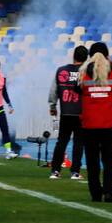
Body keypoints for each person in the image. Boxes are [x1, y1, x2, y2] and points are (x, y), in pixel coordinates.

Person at [78, 42, 112, 202]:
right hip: (109, 123)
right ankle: (108, 190)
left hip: (90, 124)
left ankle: (95, 192)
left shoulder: (84, 72)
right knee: (109, 159)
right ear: (107, 55)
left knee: (92, 160)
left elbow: (76, 88)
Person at [48, 46, 88, 179]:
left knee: (62, 142)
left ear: (73, 56)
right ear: (86, 58)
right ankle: (75, 171)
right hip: (81, 113)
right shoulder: (87, 72)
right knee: (78, 143)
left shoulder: (61, 70)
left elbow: (53, 90)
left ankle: (55, 170)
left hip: (66, 112)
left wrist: (53, 106)